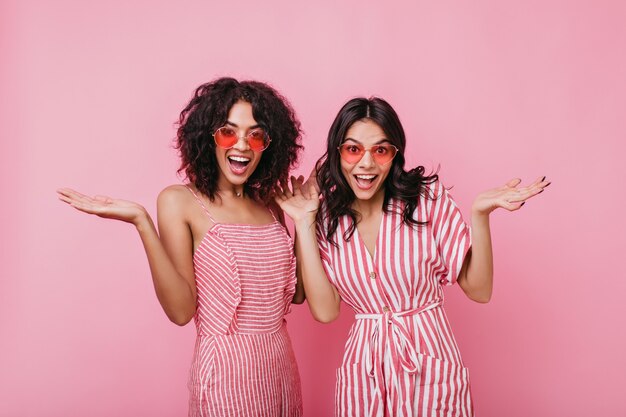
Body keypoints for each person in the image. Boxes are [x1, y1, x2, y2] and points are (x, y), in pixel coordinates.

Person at [275, 97, 549, 417]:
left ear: (395, 155)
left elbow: (479, 290)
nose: (366, 163)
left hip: (431, 366)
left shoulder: (426, 198)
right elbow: (325, 311)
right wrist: (305, 222)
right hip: (365, 374)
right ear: (338, 153)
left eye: (380, 150)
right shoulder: (326, 217)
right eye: (353, 149)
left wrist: (479, 215)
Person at [57, 77, 305, 417]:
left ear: (269, 144)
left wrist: (308, 221)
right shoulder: (180, 201)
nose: (242, 145)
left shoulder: (271, 206)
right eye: (228, 132)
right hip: (226, 375)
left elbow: (295, 295)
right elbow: (180, 312)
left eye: (256, 134)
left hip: (280, 366)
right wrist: (141, 221)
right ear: (208, 137)